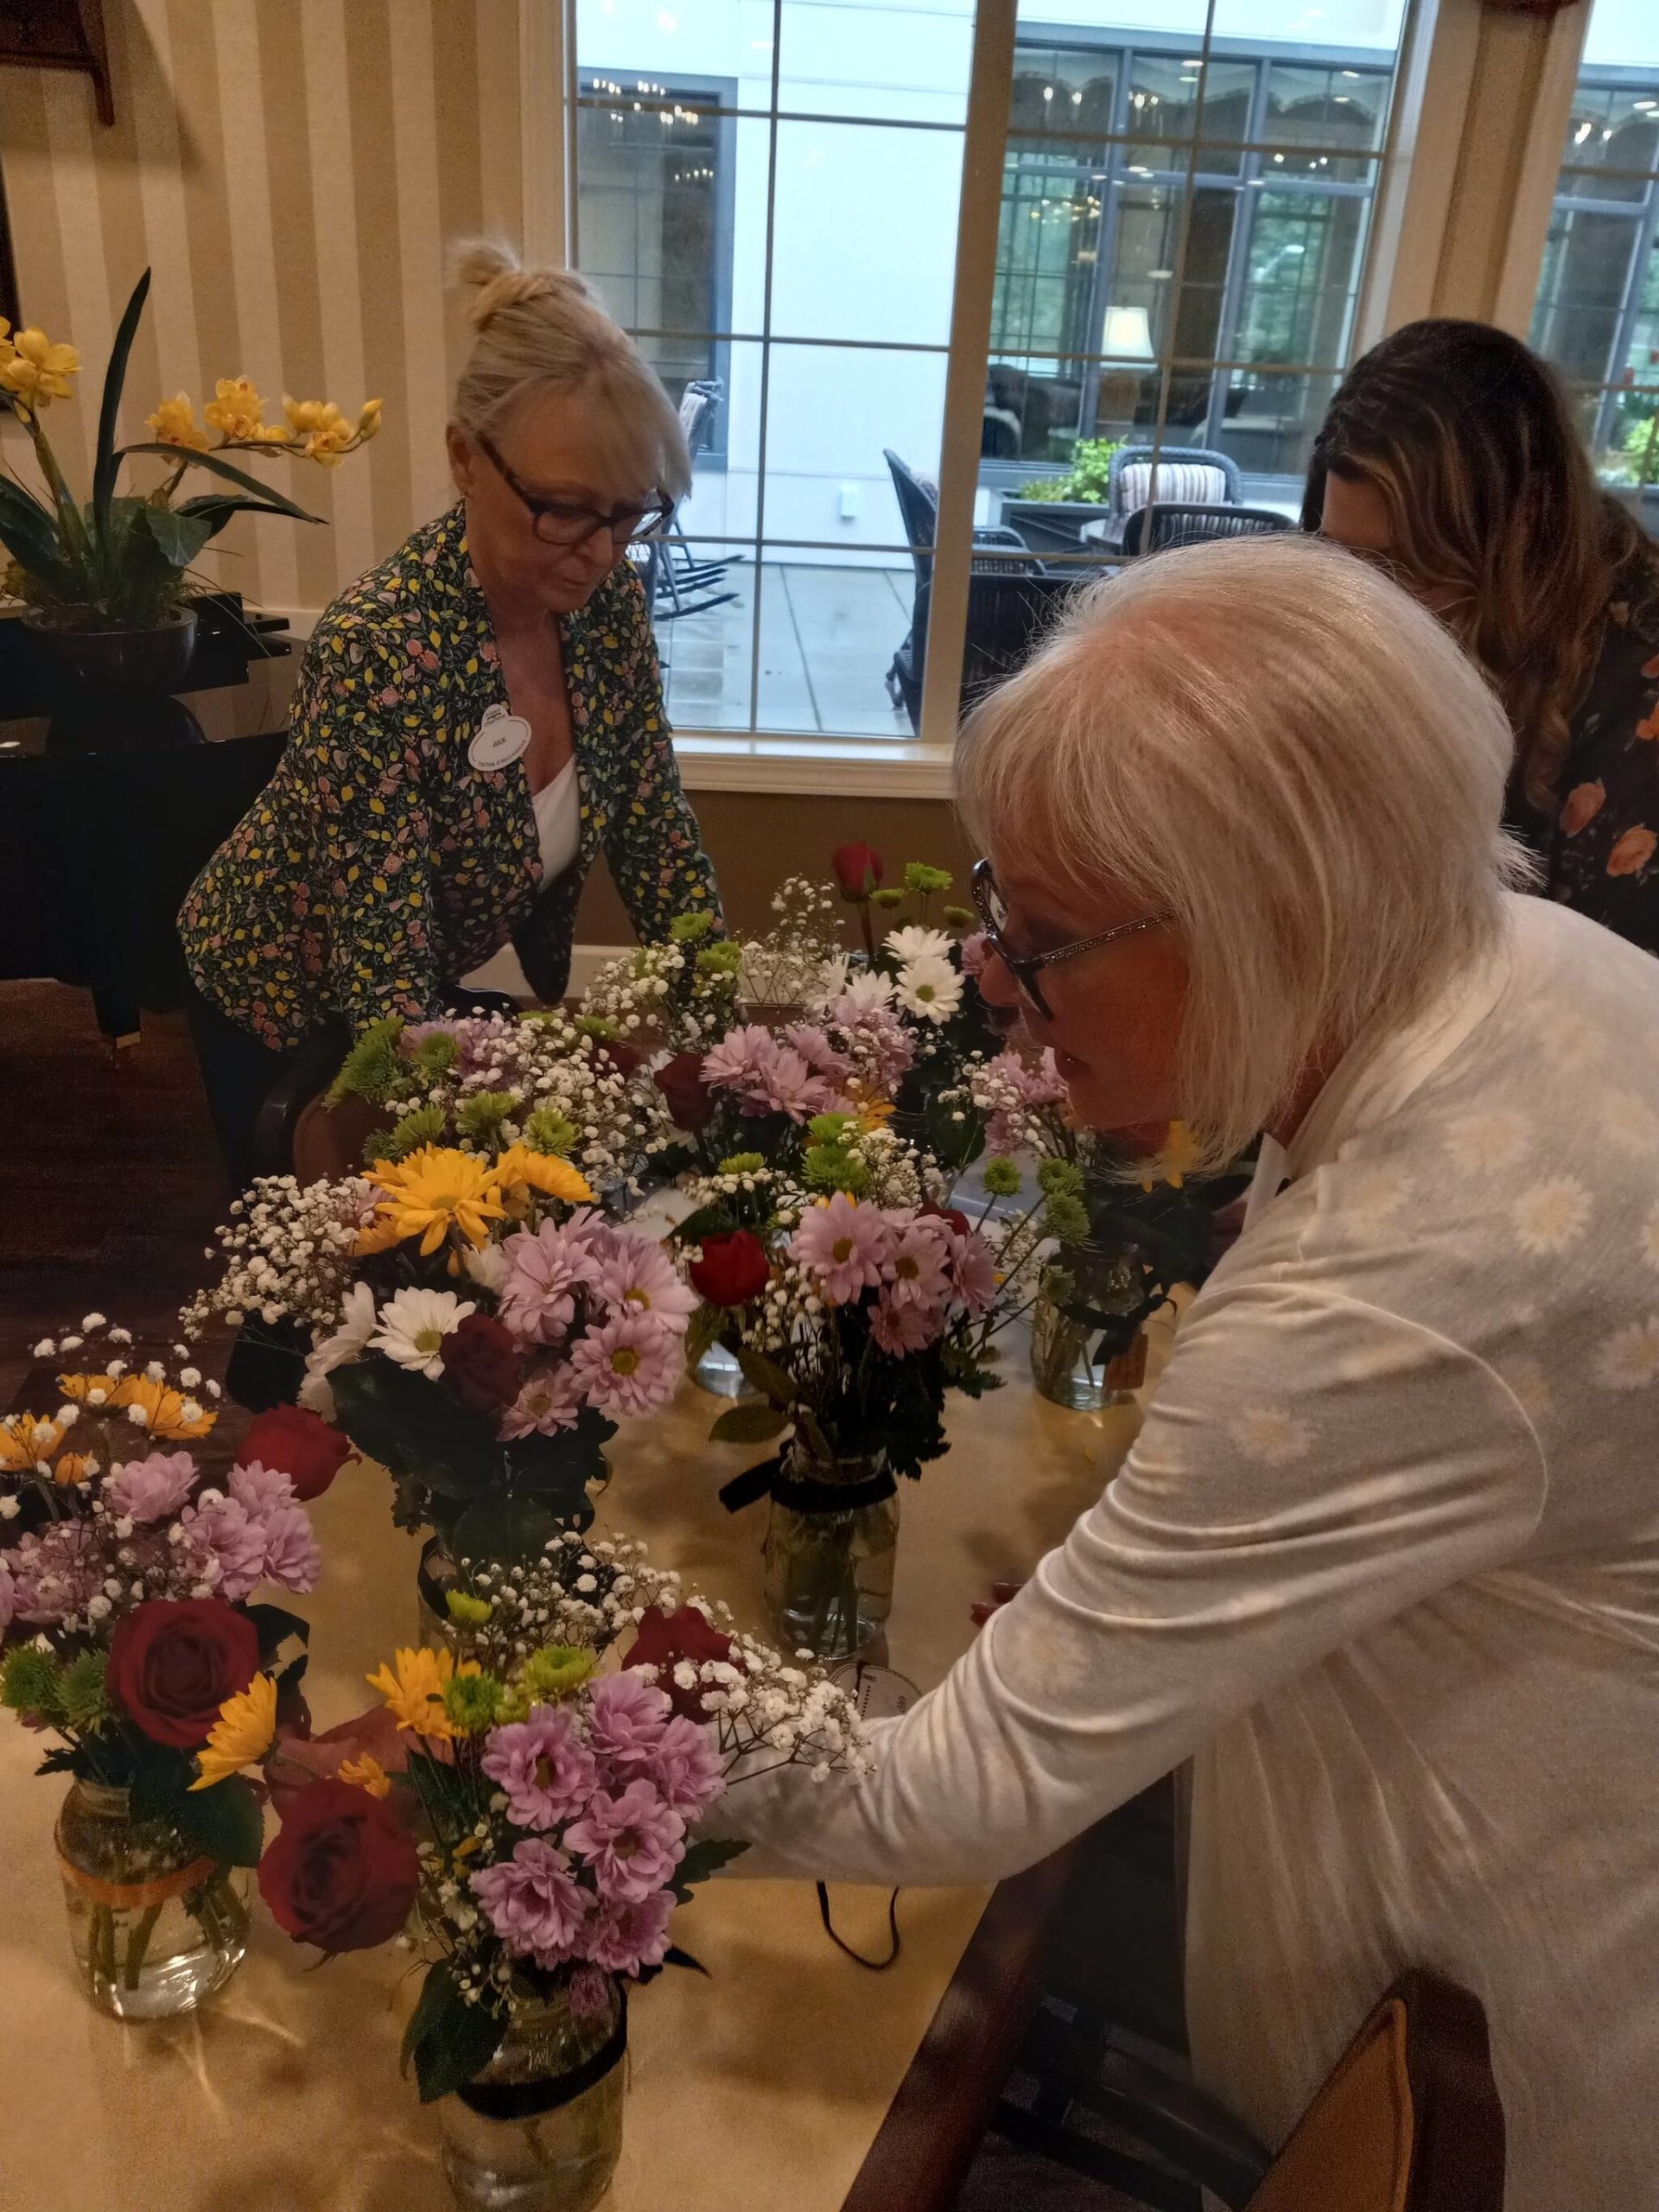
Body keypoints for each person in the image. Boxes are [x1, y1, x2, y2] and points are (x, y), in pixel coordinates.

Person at [703, 536, 1659, 2210]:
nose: (1001, 972)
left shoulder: (1386, 1290)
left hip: (1503, 2062)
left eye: (1049, 930)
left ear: (1263, 912)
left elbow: (963, 1788)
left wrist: (611, 1739)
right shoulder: (1515, 952)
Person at [178, 241, 720, 1183]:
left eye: (630, 513)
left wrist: (726, 1042)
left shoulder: (606, 609)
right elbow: (383, 967)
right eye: (563, 507)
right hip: (284, 994)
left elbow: (655, 828)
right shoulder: (375, 647)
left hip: (416, 985)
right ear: (466, 458)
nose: (599, 551)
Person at [1305, 316, 1659, 955]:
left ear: (1521, 538)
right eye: (1343, 559)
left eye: (1408, 566)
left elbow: (1599, 981)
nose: (1367, 602)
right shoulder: (1380, 625)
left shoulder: (1638, 688)